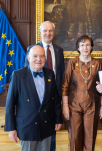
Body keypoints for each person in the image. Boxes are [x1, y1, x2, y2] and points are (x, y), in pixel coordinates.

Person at [5, 46, 63, 151]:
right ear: (28, 58)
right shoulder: (18, 75)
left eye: (41, 56)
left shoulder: (50, 74)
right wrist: (11, 128)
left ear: (45, 58)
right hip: (27, 127)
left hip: (46, 125)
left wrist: (58, 119)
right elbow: (10, 104)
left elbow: (55, 99)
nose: (38, 59)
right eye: (35, 56)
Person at [25, 21, 65, 151]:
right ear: (40, 32)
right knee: (36, 133)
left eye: (50, 31)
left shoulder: (59, 50)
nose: (48, 33)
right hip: (36, 99)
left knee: (51, 133)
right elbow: (26, 74)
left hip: (53, 98)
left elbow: (61, 74)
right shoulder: (32, 49)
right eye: (45, 30)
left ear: (54, 33)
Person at [61, 35, 102, 151]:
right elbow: (65, 86)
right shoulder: (72, 62)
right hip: (73, 105)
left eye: (87, 44)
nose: (85, 47)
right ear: (78, 48)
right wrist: (65, 107)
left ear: (91, 47)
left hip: (92, 105)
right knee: (75, 137)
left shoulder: (98, 63)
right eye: (82, 45)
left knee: (90, 137)